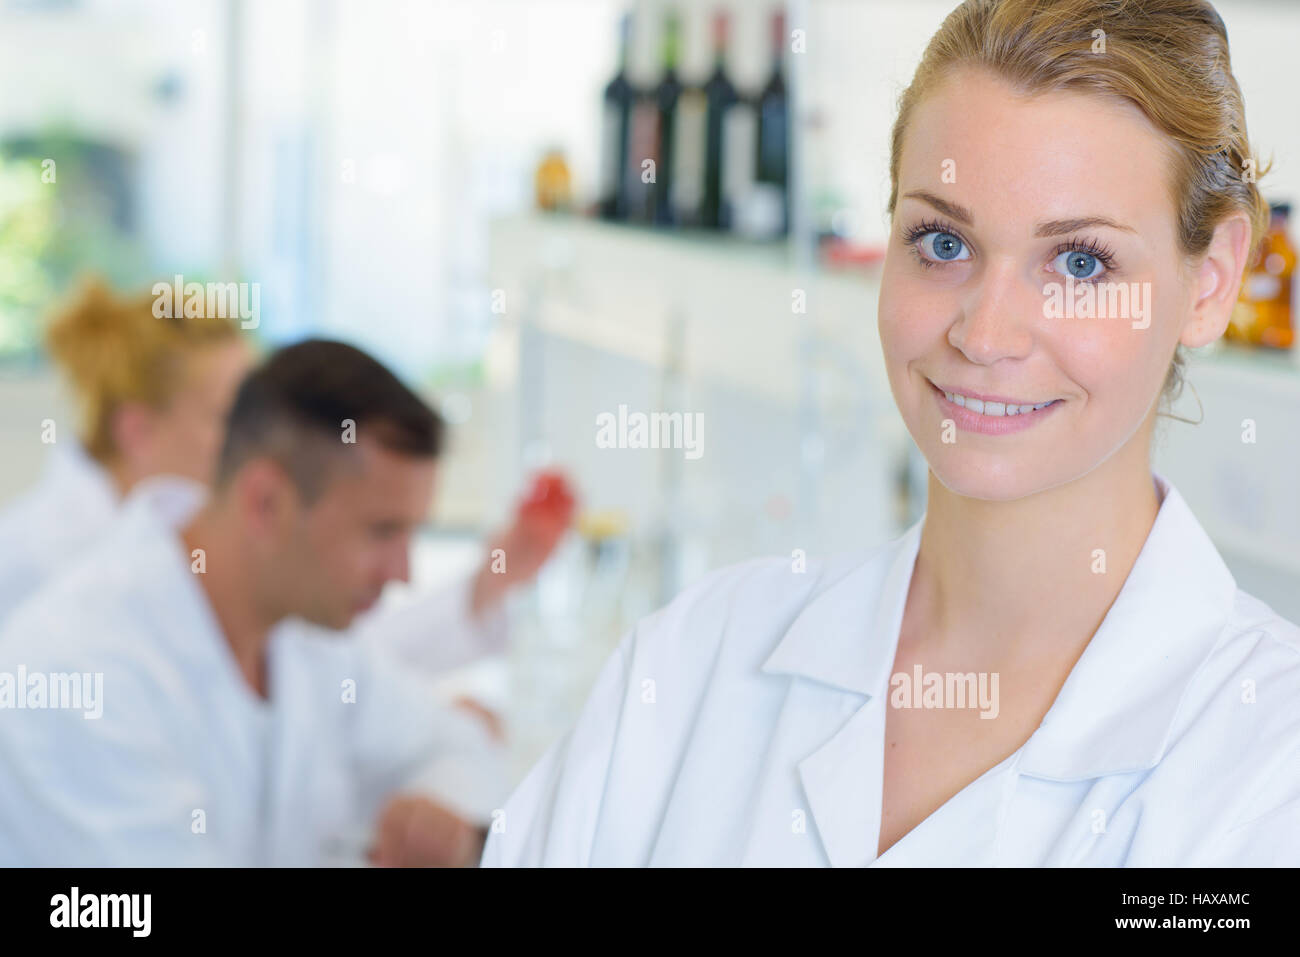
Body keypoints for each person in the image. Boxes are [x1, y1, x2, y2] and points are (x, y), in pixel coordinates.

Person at [482, 0, 1300, 867]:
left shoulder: (1266, 763)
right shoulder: (693, 662)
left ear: (1210, 284)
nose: (985, 335)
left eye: (1080, 262)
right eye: (943, 242)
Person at [0, 340, 509, 866]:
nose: (403, 573)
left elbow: (455, 743)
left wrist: (439, 818)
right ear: (266, 503)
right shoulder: (79, 672)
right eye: (382, 532)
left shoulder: (305, 632)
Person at [0, 278, 252, 621]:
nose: (253, 439)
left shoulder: (184, 536)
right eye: (226, 417)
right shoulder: (39, 563)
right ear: (137, 431)